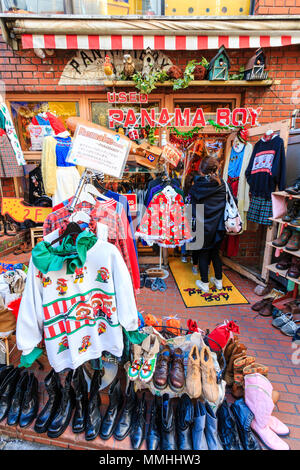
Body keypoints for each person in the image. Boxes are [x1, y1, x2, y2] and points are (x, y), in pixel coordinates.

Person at [188, 156, 226, 293]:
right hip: (219, 225)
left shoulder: (197, 186)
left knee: (203, 253)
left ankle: (204, 283)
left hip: (202, 225)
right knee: (215, 253)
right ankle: (219, 281)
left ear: (201, 170)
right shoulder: (222, 184)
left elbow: (191, 207)